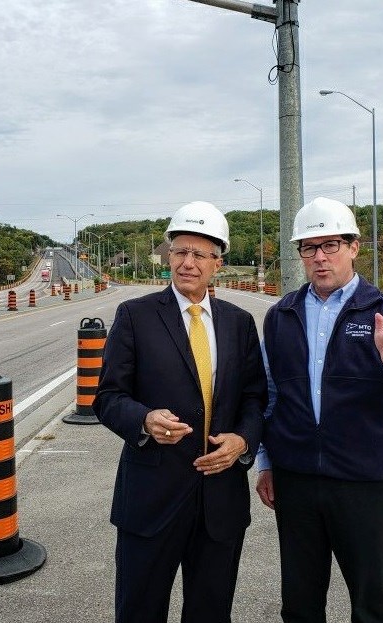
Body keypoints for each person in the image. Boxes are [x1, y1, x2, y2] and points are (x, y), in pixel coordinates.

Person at [255, 197, 383, 623]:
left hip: (364, 481)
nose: (320, 257)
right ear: (300, 253)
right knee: (300, 602)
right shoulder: (281, 316)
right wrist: (266, 462)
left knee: (372, 602)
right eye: (309, 247)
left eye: (331, 245)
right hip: (297, 480)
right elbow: (270, 396)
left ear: (355, 247)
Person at [94, 201, 267, 623]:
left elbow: (255, 397)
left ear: (217, 264)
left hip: (219, 501)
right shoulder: (135, 316)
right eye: (179, 252)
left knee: (210, 612)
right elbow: (108, 397)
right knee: (139, 610)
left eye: (199, 254)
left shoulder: (239, 322)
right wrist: (144, 420)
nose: (187, 263)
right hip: (152, 499)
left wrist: (243, 441)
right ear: (168, 255)